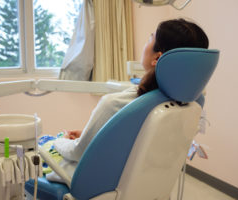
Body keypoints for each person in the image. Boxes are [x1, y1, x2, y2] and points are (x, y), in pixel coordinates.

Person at [44, 18, 209, 181]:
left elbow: (78, 153)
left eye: (150, 38)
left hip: (100, 184)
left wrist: (59, 141)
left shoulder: (115, 104)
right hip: (147, 184)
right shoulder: (192, 104)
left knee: (43, 146)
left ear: (157, 58)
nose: (146, 43)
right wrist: (94, 135)